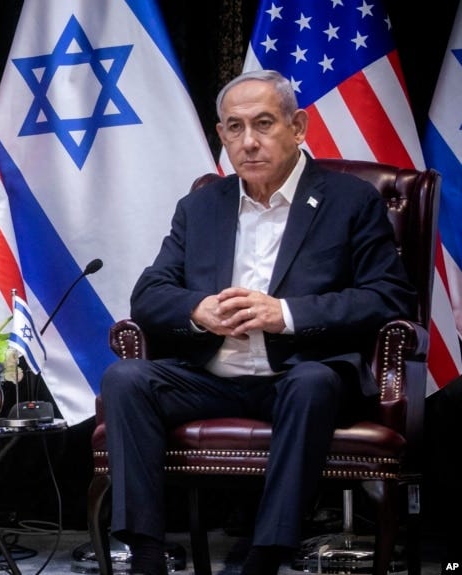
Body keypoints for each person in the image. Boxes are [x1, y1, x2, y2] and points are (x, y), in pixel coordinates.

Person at [99, 69, 416, 575]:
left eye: (264, 123)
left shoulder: (350, 201)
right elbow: (149, 295)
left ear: (298, 127)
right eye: (235, 127)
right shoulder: (201, 206)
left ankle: (266, 556)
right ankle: (146, 555)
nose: (248, 141)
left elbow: (389, 296)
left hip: (299, 374)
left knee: (312, 382)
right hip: (210, 378)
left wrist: (284, 314)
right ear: (221, 135)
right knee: (125, 378)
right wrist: (199, 311)